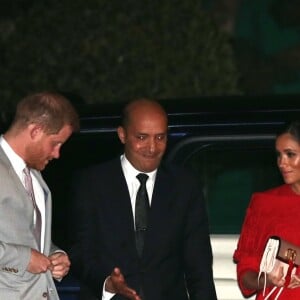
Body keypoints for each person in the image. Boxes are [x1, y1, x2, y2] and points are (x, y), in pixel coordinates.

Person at [69, 98, 217, 300]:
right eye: (142, 137)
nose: (152, 148)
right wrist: (107, 282)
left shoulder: (184, 185)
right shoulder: (92, 183)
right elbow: (80, 251)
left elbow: (199, 265)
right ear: (122, 135)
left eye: (160, 137)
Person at [0, 91, 80, 299]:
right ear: (35, 131)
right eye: (56, 143)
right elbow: (25, 254)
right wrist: (24, 258)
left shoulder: (34, 175)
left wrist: (54, 254)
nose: (57, 154)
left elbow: (27, 237)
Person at [234, 120, 300, 299]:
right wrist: (268, 279)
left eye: (290, 154)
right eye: (279, 155)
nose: (282, 163)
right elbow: (245, 274)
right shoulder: (265, 204)